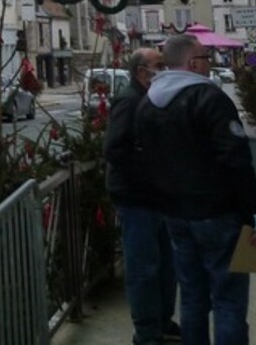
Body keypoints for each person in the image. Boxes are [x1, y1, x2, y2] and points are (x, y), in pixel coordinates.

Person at [135, 33, 256, 345]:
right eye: (207, 58)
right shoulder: (211, 99)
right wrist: (255, 215)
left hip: (176, 214)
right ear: (193, 63)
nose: (210, 64)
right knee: (228, 299)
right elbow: (236, 161)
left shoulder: (149, 104)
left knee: (193, 297)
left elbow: (146, 160)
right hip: (218, 213)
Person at [104, 47, 179, 344]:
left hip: (156, 196)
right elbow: (114, 149)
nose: (164, 69)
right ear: (141, 72)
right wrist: (147, 173)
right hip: (137, 198)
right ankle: (147, 332)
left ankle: (161, 321)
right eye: (158, 65)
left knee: (164, 264)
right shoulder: (129, 100)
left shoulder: (151, 98)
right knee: (144, 268)